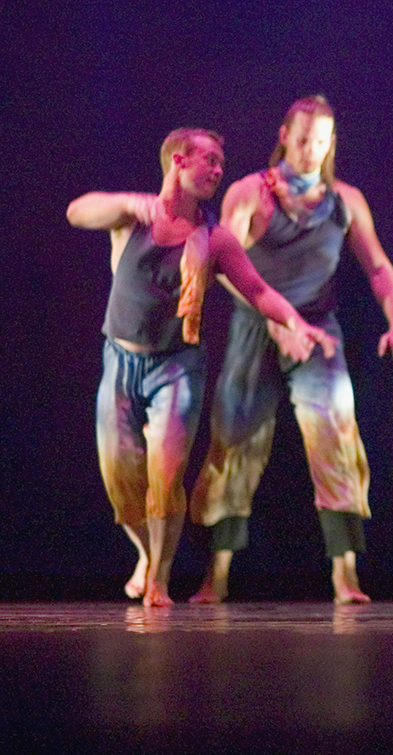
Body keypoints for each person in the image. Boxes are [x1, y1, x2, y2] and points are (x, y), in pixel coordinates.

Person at [68, 128, 335, 608]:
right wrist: (129, 201)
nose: (218, 169)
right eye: (208, 159)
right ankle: (146, 555)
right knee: (121, 481)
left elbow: (258, 291)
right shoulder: (131, 218)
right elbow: (77, 211)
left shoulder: (215, 238)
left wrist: (297, 322)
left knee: (166, 477)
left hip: (177, 367)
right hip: (121, 361)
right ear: (178, 159)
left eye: (220, 162)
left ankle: (159, 578)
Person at [187, 96, 393, 604]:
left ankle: (345, 575)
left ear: (331, 142)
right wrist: (277, 321)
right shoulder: (251, 192)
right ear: (284, 136)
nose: (310, 149)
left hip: (318, 332)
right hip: (257, 327)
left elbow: (378, 267)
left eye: (320, 141)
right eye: (302, 139)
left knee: (336, 434)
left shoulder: (344, 200)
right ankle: (216, 573)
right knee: (234, 440)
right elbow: (221, 264)